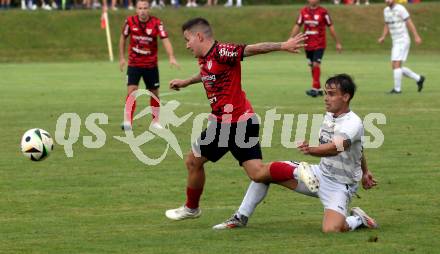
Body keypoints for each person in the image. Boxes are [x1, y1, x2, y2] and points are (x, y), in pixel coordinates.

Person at [165, 18, 319, 221]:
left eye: (187, 39)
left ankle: (192, 208)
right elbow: (208, 73)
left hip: (232, 124)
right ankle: (306, 177)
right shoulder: (206, 57)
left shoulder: (223, 51)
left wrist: (283, 45)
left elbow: (253, 49)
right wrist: (186, 82)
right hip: (236, 122)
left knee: (194, 161)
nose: (186, 45)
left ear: (199, 36)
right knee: (257, 174)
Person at [214, 74, 379, 233]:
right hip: (319, 174)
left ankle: (358, 219)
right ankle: (240, 216)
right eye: (325, 93)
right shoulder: (330, 115)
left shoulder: (353, 123)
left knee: (332, 229)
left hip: (340, 185)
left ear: (346, 97)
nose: (326, 98)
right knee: (262, 174)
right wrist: (365, 171)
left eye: (331, 94)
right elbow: (357, 149)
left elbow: (337, 147)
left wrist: (311, 150)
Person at [119, 0, 179, 130]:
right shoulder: (129, 21)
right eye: (140, 8)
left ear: (149, 9)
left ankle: (156, 121)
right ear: (136, 9)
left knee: (154, 93)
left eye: (145, 8)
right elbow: (123, 38)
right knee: (131, 91)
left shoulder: (157, 23)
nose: (142, 11)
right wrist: (122, 57)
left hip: (151, 65)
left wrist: (171, 56)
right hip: (134, 64)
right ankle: (127, 121)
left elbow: (165, 39)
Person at [291, 0, 342, 98]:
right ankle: (318, 89)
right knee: (311, 66)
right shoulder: (303, 12)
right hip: (307, 44)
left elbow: (331, 27)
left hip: (319, 44)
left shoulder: (323, 12)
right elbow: (298, 25)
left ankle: (314, 88)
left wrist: (337, 42)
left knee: (315, 64)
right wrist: (291, 38)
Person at [378, 0, 425, 94]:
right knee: (396, 67)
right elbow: (387, 24)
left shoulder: (400, 8)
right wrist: (383, 36)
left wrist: (416, 36)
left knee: (396, 65)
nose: (387, 1)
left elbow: (409, 23)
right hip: (395, 41)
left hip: (403, 40)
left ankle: (397, 89)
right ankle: (419, 78)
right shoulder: (386, 10)